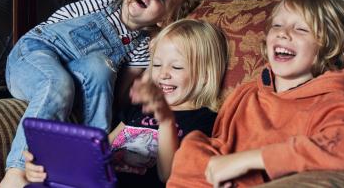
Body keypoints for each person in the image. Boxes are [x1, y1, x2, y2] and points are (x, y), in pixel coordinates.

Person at [0, 0, 193, 188]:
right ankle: (16, 170)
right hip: (32, 56)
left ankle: (90, 167)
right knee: (59, 82)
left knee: (101, 67)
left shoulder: (141, 47)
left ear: (165, 19)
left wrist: (156, 49)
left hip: (74, 81)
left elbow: (116, 97)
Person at [167, 0, 344, 188]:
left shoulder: (328, 101)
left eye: (300, 28)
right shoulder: (245, 93)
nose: (283, 33)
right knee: (193, 145)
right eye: (277, 25)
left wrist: (253, 160)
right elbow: (218, 148)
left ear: (329, 46)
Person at [23, 19, 229, 188]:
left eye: (176, 67)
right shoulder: (139, 107)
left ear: (204, 75)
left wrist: (165, 119)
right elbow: (102, 150)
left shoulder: (206, 120)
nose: (163, 74)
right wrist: (53, 163)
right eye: (156, 64)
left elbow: (169, 177)